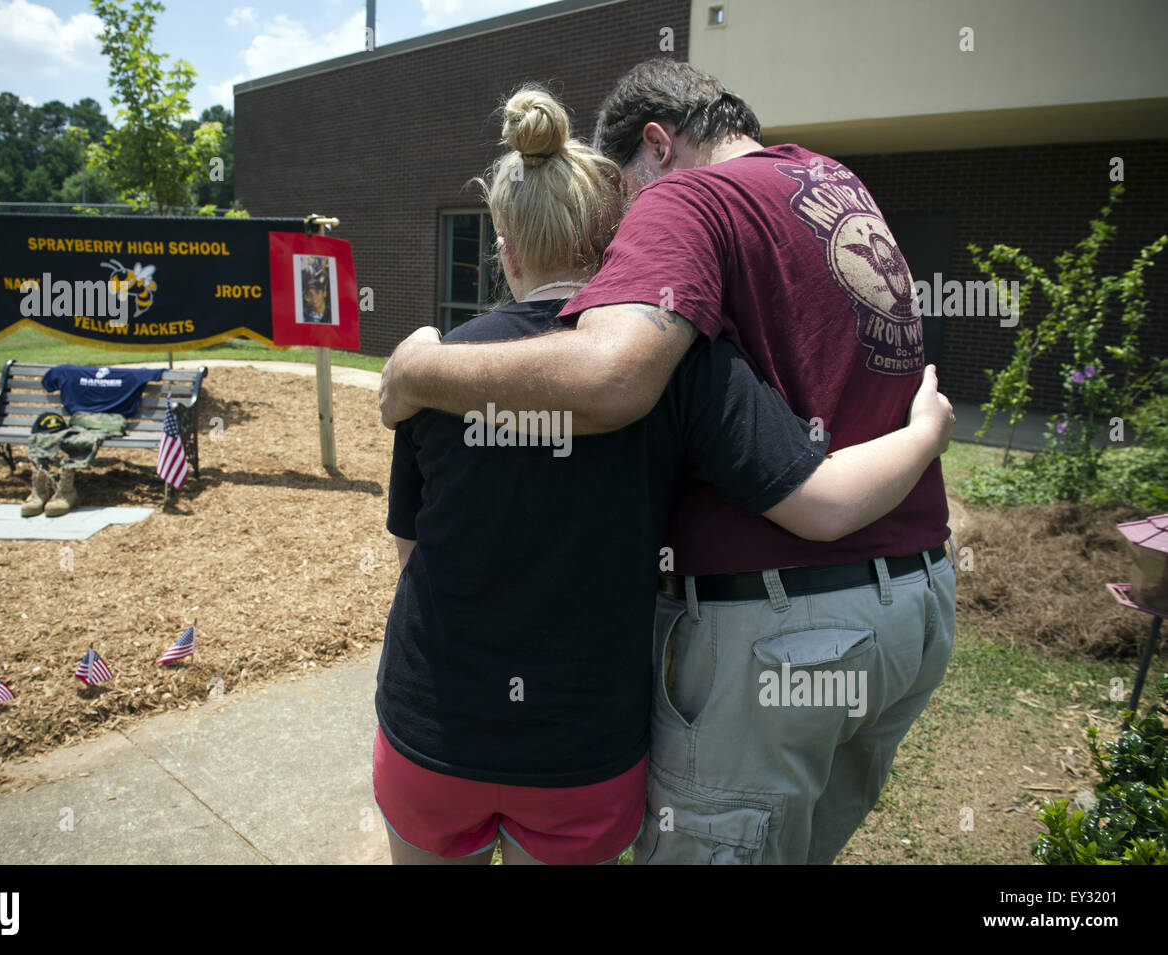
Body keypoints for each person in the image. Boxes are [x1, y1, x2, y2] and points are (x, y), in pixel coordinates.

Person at [379, 59, 955, 865]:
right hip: (897, 613)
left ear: (658, 145)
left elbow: (605, 380)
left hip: (442, 720)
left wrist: (416, 370)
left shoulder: (678, 224)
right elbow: (816, 489)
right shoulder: (827, 181)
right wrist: (927, 432)